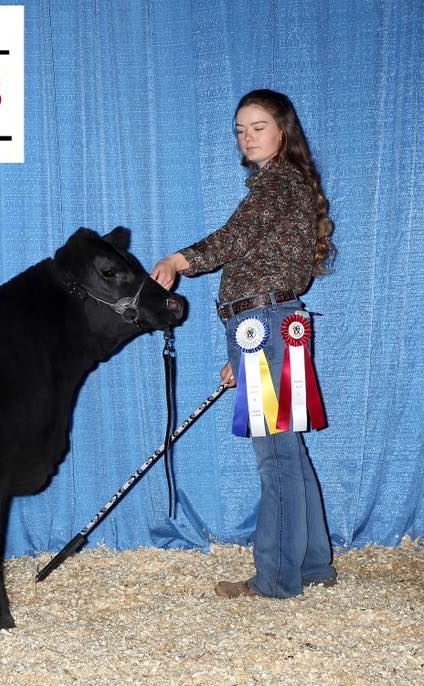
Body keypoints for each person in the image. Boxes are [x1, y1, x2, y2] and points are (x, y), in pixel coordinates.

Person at [151, 89, 337, 599]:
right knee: (290, 453)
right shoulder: (289, 185)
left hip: (263, 322)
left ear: (282, 131)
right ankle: (314, 564)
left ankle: (276, 578)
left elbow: (233, 240)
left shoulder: (276, 185)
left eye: (257, 126)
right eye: (240, 129)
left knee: (276, 458)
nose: (247, 137)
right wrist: (241, 355)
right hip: (269, 327)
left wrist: (177, 260)